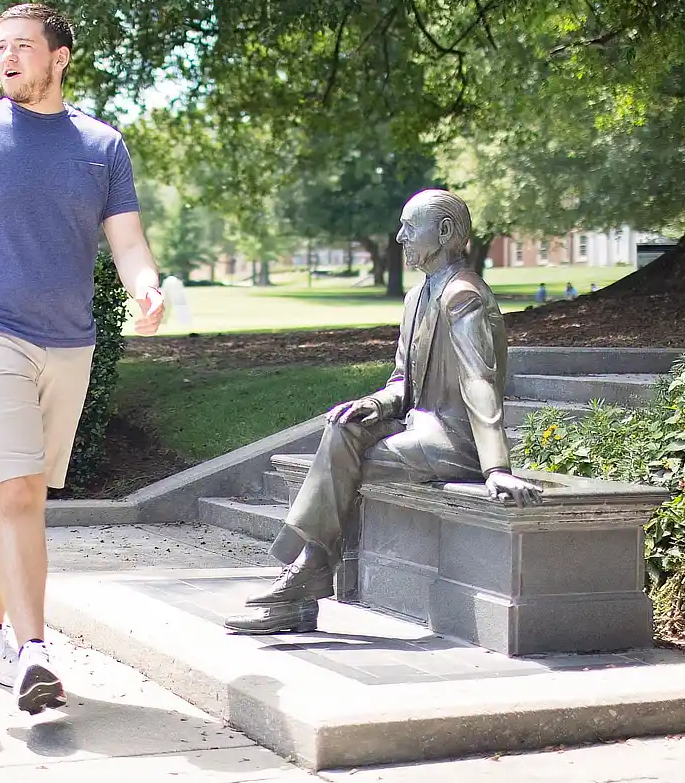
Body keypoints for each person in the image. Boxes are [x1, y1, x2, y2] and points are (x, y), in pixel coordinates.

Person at [0, 2, 164, 714]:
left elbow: (128, 241)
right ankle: (34, 652)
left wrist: (146, 286)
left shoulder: (101, 145)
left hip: (69, 341)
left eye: (22, 46)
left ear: (60, 57)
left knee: (14, 492)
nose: (7, 58)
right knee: (17, 493)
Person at [225, 190, 545, 635]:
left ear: (446, 232)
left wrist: (496, 467)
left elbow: (479, 382)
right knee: (343, 430)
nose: (399, 237)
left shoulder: (464, 296)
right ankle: (307, 573)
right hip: (418, 427)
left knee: (345, 466)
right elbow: (403, 383)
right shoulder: (416, 298)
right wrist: (373, 404)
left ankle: (305, 578)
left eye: (410, 228)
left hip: (455, 441)